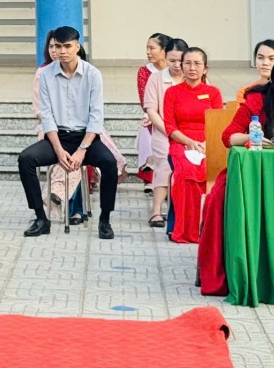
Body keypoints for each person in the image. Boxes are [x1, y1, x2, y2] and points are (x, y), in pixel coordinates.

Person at [18, 26, 120, 240]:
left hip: (86, 139)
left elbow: (96, 116)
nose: (62, 51)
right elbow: (46, 116)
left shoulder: (92, 74)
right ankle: (41, 218)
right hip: (58, 137)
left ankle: (105, 220)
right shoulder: (46, 74)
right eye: (57, 46)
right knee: (26, 159)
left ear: (77, 47)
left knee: (109, 163)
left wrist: (82, 150)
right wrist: (58, 149)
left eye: (67, 46)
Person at [162, 47, 224, 244]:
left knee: (209, 171)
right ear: (181, 66)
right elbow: (170, 127)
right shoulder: (172, 93)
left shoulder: (213, 93)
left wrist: (206, 143)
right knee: (184, 173)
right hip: (181, 142)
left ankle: (206, 228)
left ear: (205, 68)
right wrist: (190, 142)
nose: (192, 68)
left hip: (208, 142)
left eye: (197, 63)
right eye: (187, 63)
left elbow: (218, 124)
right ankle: (181, 228)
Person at [142, 38, 186, 229]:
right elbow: (151, 110)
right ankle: (156, 210)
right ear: (165, 58)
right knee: (165, 165)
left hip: (190, 134)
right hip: (163, 132)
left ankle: (187, 210)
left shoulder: (194, 76)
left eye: (180, 61)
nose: (176, 65)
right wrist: (170, 131)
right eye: (171, 60)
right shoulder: (156, 79)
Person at [135, 34, 172, 188]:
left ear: (164, 50)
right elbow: (145, 100)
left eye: (152, 48)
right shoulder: (145, 71)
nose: (148, 52)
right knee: (147, 127)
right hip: (153, 114)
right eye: (147, 48)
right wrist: (154, 115)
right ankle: (150, 176)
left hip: (173, 115)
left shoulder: (176, 70)